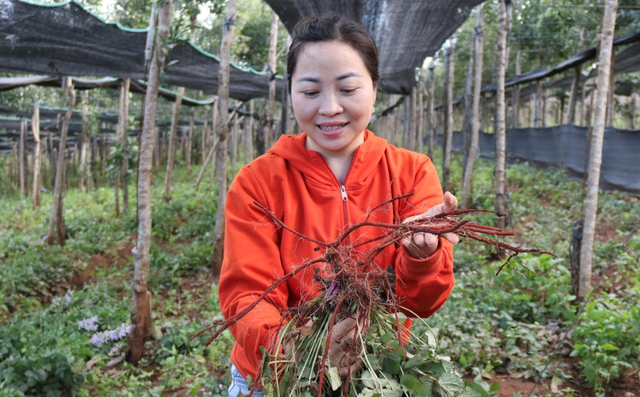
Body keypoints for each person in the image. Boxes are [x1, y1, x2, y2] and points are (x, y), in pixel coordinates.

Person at [219, 13, 458, 397]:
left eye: (347, 89)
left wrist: (422, 256)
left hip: (376, 374)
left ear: (375, 89)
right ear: (291, 92)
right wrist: (301, 349)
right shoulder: (258, 182)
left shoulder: (411, 172)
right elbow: (247, 295)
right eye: (311, 92)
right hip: (277, 376)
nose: (330, 108)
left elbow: (422, 302)